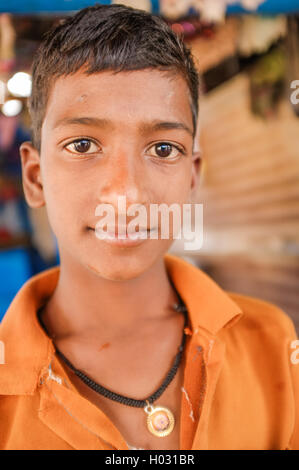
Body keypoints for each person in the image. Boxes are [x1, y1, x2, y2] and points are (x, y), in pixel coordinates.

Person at [0, 4, 298, 451]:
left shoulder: (271, 343)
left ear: (192, 176)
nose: (127, 193)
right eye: (83, 144)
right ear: (36, 177)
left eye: (163, 148)